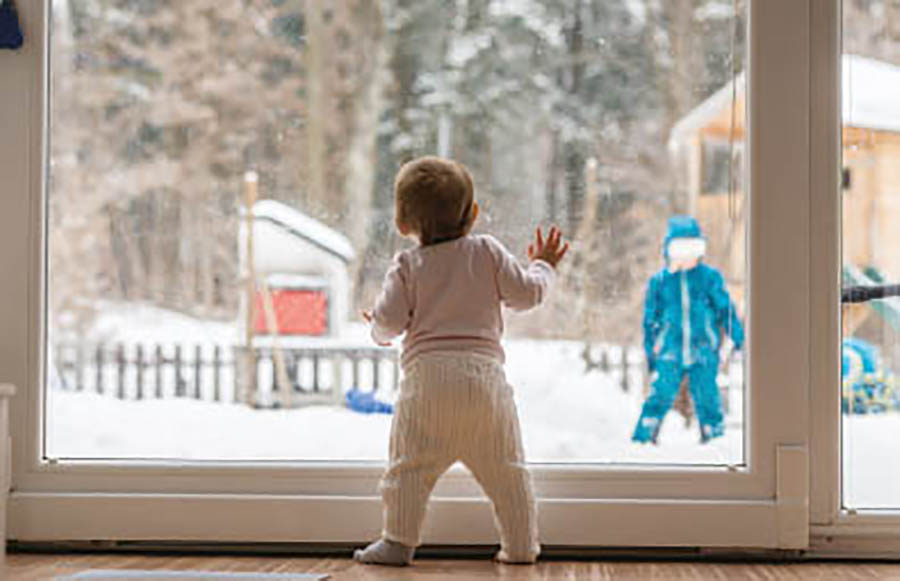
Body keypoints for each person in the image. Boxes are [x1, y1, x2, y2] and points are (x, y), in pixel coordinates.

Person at [354, 156, 569, 566]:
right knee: (509, 472)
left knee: (406, 471)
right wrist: (543, 265)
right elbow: (526, 294)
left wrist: (377, 329)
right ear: (473, 214)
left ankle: (398, 542)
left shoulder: (407, 266)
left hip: (426, 384)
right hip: (484, 382)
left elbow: (389, 322)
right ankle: (521, 546)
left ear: (402, 222)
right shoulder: (487, 252)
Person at [632, 215, 744, 445]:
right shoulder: (660, 282)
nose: (686, 257)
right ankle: (643, 439)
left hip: (703, 350)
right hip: (669, 352)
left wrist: (738, 337)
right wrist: (651, 353)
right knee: (659, 396)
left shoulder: (709, 278)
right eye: (680, 250)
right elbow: (650, 321)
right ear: (668, 250)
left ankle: (714, 438)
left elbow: (725, 310)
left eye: (691, 249)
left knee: (708, 398)